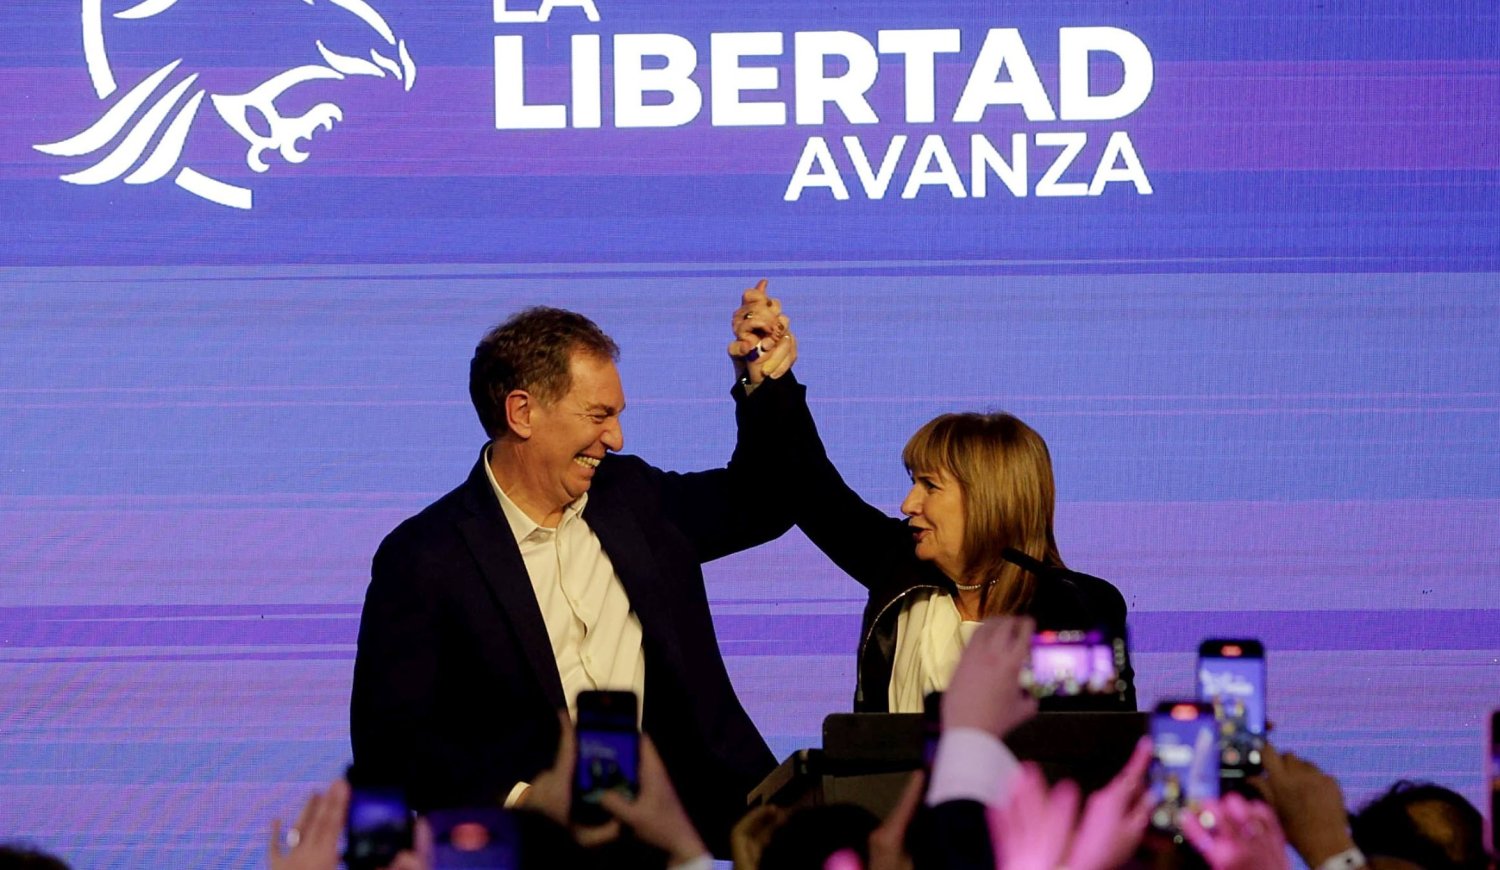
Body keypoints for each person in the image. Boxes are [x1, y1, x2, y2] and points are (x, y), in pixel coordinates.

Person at [350, 303, 800, 855]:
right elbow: (391, 744)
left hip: (683, 839)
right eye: (598, 415)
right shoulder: (423, 557)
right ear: (522, 412)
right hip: (532, 852)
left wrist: (763, 379)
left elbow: (764, 502)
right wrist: (528, 802)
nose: (616, 437)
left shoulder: (633, 498)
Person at [729, 285, 1135, 713]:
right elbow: (808, 483)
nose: (909, 505)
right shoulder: (899, 566)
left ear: (987, 500)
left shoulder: (1072, 607)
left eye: (930, 486)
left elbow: (1080, 746)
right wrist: (767, 372)